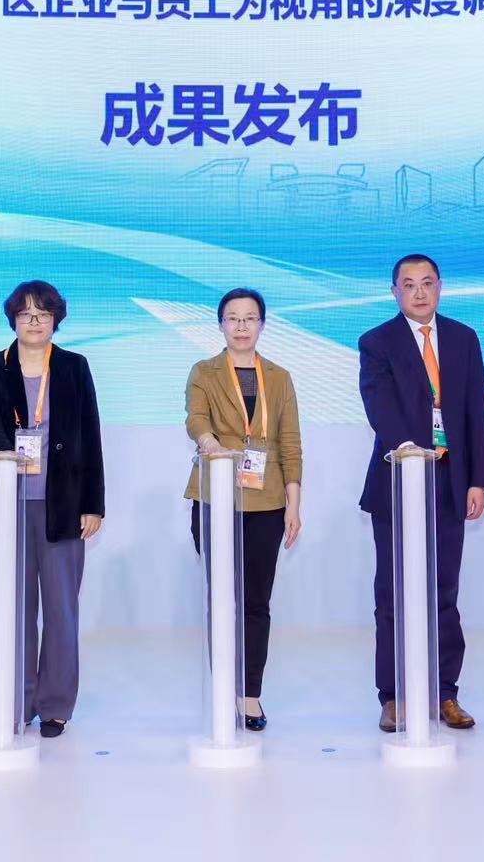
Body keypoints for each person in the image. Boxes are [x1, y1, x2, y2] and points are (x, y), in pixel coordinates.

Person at [357, 254, 484, 732]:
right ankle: (393, 695)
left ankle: (445, 692)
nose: (419, 292)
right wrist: (409, 451)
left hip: (451, 481)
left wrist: (478, 479)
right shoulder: (377, 341)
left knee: (444, 591)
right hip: (397, 479)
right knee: (393, 593)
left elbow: (476, 411)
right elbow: (379, 406)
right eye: (409, 284)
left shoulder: (463, 338)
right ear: (394, 291)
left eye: (427, 283)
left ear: (440, 287)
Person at [0, 280, 104, 738]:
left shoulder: (73, 366)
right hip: (9, 503)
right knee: (15, 609)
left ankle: (55, 706)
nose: (34, 321)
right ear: (13, 320)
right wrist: (5, 453)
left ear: (55, 320)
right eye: (25, 314)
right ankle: (17, 702)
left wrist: (93, 504)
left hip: (63, 505)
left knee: (61, 611)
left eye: (43, 314)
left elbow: (90, 435)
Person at [183, 287, 304, 731]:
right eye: (232, 318)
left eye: (249, 318)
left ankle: (249, 694)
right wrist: (209, 443)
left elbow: (290, 443)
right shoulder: (205, 371)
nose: (241, 326)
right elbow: (196, 417)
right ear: (220, 325)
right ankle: (223, 689)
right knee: (222, 599)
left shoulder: (279, 377)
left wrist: (293, 503)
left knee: (255, 601)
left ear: (262, 325)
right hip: (215, 495)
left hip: (267, 502)